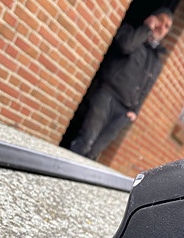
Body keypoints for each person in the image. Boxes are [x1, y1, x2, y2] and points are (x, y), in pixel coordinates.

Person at [69, 8, 173, 160]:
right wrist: (146, 29)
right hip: (107, 96)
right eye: (160, 21)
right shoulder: (131, 32)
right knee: (85, 142)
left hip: (123, 111)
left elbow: (146, 87)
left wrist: (134, 111)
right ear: (152, 19)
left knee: (94, 153)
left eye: (167, 26)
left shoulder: (156, 60)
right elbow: (125, 46)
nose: (162, 27)